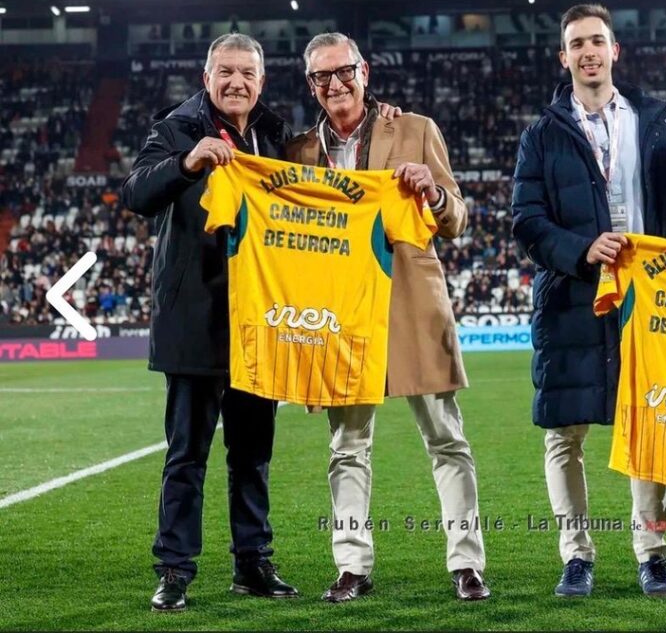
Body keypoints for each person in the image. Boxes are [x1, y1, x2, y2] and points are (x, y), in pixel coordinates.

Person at [511, 3, 666, 598]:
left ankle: (653, 552)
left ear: (614, 50)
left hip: (651, 300)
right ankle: (576, 555)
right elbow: (526, 222)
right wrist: (581, 248)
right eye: (577, 43)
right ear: (563, 57)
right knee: (563, 432)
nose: (588, 52)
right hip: (572, 297)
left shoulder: (658, 120)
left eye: (597, 40)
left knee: (652, 426)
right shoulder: (541, 135)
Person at [283, 32, 490, 603]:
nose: (335, 84)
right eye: (322, 76)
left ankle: (467, 562)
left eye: (343, 71)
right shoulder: (298, 151)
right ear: (311, 85)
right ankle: (352, 565)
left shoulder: (416, 129)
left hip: (411, 303)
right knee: (347, 446)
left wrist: (435, 195)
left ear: (364, 71)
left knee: (446, 437)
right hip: (341, 314)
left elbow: (457, 219)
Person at [122, 33, 299, 612]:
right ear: (207, 78)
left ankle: (253, 563)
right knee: (187, 455)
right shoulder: (176, 128)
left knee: (252, 454)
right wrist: (185, 162)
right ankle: (175, 569)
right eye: (225, 71)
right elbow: (136, 193)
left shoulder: (276, 134)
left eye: (247, 73)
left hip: (258, 320)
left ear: (261, 81)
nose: (236, 82)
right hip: (194, 317)